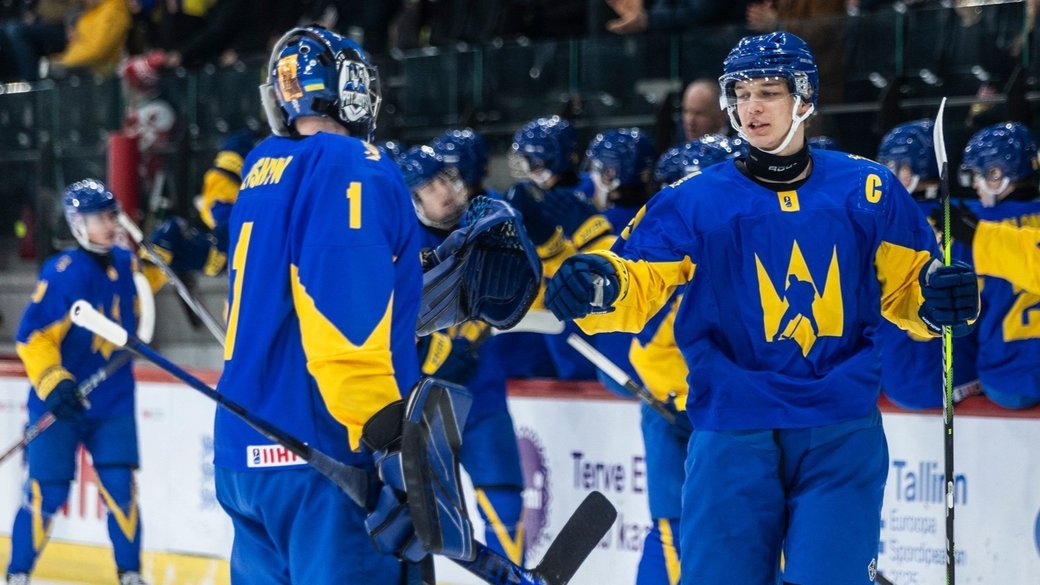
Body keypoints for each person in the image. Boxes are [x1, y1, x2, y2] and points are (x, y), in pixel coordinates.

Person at [543, 32, 979, 585]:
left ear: (805, 97)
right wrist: (600, 286)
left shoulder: (868, 189)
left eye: (768, 92)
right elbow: (638, 279)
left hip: (840, 428)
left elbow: (910, 290)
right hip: (732, 427)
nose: (751, 108)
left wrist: (941, 302)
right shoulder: (694, 198)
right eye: (741, 93)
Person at [213, 25, 423, 583]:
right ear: (349, 88)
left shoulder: (262, 165)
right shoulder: (351, 162)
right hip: (326, 459)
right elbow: (345, 319)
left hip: (244, 452)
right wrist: (391, 444)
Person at [7, 180, 150, 585]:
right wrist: (54, 383)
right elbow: (33, 338)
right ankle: (17, 575)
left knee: (121, 488)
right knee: (46, 492)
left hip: (113, 399)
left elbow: (148, 287)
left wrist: (168, 252)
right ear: (77, 224)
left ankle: (130, 575)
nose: (109, 224)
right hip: (61, 403)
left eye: (111, 215)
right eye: (99, 218)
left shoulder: (127, 264)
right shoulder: (64, 273)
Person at [398, 144, 527, 565]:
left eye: (445, 179)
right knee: (412, 517)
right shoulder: (397, 246)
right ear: (412, 200)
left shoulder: (487, 226)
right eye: (429, 186)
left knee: (504, 501)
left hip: (482, 396)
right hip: (420, 406)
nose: (444, 191)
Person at [875, 120, 979, 409]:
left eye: (891, 165)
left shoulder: (880, 222)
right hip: (964, 377)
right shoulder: (973, 220)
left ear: (908, 169)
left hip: (898, 378)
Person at [951, 122, 1040, 409]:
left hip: (1005, 382)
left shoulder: (975, 228)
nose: (974, 184)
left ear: (996, 174)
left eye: (978, 174)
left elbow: (965, 314)